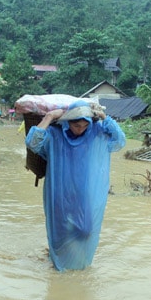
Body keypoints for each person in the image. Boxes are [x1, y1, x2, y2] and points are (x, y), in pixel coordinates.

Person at [25, 100, 126, 271]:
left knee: (85, 230)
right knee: (60, 232)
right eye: (76, 125)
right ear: (67, 122)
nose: (80, 129)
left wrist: (103, 116)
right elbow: (32, 143)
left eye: (83, 125)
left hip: (83, 192)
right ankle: (57, 262)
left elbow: (119, 141)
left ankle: (79, 262)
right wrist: (49, 116)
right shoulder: (55, 134)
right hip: (58, 190)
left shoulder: (95, 132)